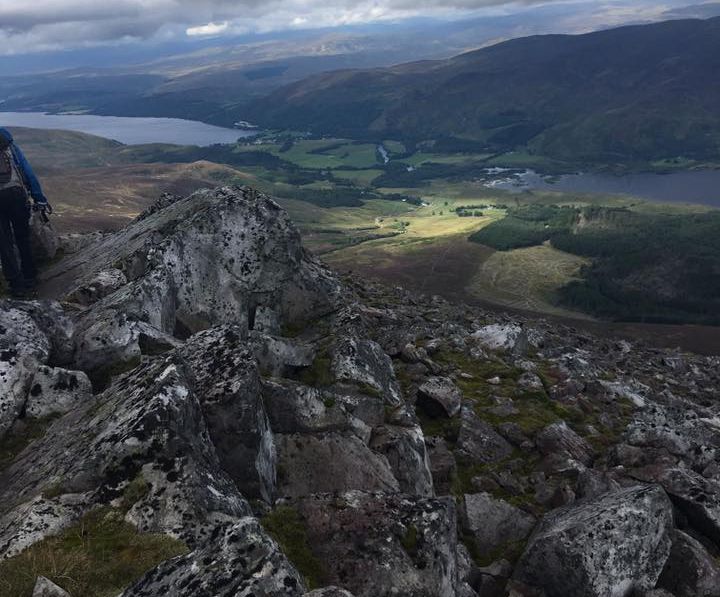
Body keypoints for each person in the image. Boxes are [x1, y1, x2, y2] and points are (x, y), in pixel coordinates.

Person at [0, 128, 51, 298]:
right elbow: (27, 172)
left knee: (4, 243)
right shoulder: (10, 145)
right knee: (22, 236)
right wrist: (39, 197)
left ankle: (17, 285)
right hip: (16, 194)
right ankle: (30, 275)